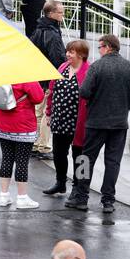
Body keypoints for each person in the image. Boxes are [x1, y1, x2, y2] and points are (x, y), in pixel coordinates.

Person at [71, 34, 130, 214]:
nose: (98, 51)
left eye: (99, 47)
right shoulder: (129, 67)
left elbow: (84, 92)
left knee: (85, 159)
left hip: (96, 122)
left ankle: (82, 197)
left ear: (107, 47)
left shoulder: (97, 67)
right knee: (113, 162)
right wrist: (127, 104)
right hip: (119, 124)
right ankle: (108, 201)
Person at [43, 40, 90, 198]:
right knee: (58, 153)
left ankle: (80, 188)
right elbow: (52, 89)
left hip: (79, 121)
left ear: (81, 54)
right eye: (68, 51)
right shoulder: (63, 67)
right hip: (60, 119)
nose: (68, 54)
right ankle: (60, 182)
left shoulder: (89, 71)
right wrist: (49, 112)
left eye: (71, 52)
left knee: (81, 156)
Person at [0, 78, 45, 209]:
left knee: (6, 158)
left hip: (3, 122)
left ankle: (3, 196)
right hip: (23, 124)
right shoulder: (26, 76)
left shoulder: (2, 73)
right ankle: (22, 198)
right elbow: (39, 98)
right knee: (22, 161)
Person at [29, 0, 67, 159]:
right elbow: (58, 57)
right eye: (60, 13)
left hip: (38, 76)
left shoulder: (39, 29)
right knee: (46, 112)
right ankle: (43, 146)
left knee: (38, 112)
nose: (63, 15)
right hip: (48, 79)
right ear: (51, 14)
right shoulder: (51, 32)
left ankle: (35, 143)